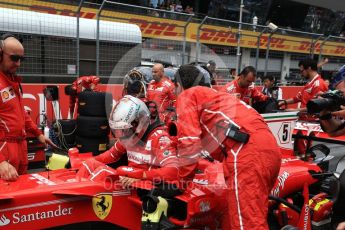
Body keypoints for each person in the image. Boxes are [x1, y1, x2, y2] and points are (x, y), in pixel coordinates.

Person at [174, 64, 281, 229]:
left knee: (246, 223)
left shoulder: (188, 95)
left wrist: (180, 183)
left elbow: (189, 143)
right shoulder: (217, 96)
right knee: (245, 214)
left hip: (247, 153)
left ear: (179, 86)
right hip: (269, 149)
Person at [77, 95, 181, 186]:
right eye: (118, 130)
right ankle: (74, 191)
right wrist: (91, 160)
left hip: (144, 188)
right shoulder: (128, 137)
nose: (121, 135)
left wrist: (141, 176)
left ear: (139, 123)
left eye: (124, 130)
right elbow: (112, 154)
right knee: (89, 163)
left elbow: (173, 171)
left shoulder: (159, 138)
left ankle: (78, 202)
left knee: (103, 171)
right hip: (127, 180)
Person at [0, 34, 55, 181]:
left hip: (20, 148)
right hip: (4, 153)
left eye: (21, 59)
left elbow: (21, 114)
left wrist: (39, 134)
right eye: (14, 58)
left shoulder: (13, 81)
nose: (18, 64)